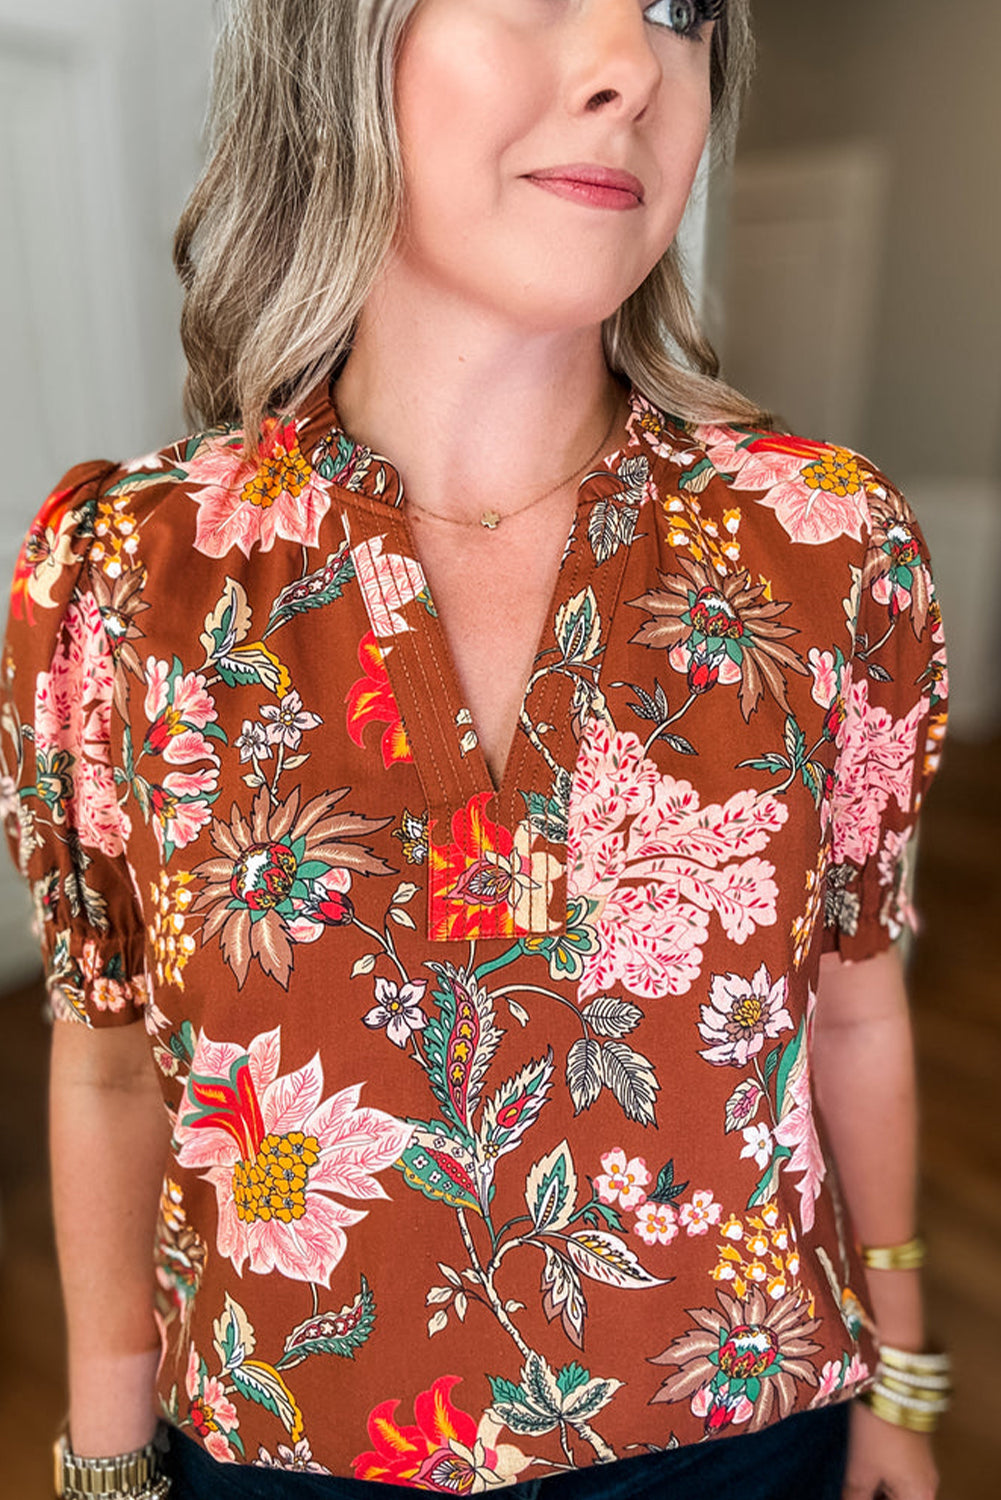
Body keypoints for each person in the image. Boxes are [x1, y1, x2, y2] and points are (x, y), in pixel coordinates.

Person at [1, 2, 951, 1498]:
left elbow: (850, 1007)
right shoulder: (131, 580)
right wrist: (109, 1462)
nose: (632, 66)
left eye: (682, 13)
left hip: (738, 1437)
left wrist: (899, 1370)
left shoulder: (822, 550)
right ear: (337, 45)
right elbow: (112, 1061)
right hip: (280, 1454)